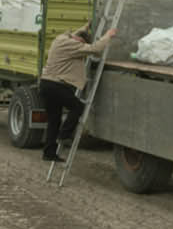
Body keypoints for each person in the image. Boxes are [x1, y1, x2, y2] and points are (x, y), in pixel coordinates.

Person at [36, 22, 117, 162]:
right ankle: (64, 135)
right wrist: (108, 36)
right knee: (78, 107)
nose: (82, 49)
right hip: (56, 85)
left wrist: (86, 26)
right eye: (82, 45)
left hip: (45, 84)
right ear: (80, 41)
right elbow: (95, 49)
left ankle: (48, 153)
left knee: (54, 120)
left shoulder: (61, 38)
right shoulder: (74, 46)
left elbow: (77, 34)